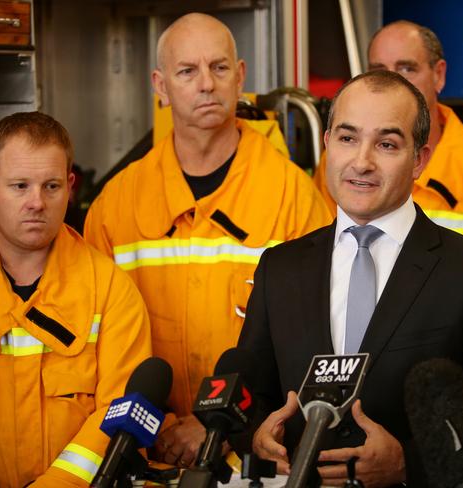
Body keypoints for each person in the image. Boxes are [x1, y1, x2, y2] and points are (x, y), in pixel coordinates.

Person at [238, 70, 463, 487]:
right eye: (347, 138)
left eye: (386, 144)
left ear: (419, 159)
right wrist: (253, 434)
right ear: (327, 144)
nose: (362, 161)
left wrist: (408, 464)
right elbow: (250, 395)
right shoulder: (280, 268)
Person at [83, 13, 331, 467]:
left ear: (239, 78)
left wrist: (216, 425)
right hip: (141, 454)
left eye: (219, 68)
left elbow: (311, 347)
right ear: (160, 86)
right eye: (186, 71)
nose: (206, 84)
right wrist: (157, 425)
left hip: (254, 456)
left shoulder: (294, 197)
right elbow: (96, 348)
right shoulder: (115, 206)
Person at [0, 112, 152, 487]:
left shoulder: (112, 291)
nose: (37, 202)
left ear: (70, 186)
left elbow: (121, 412)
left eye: (51, 186)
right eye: (19, 186)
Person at [312, 20, 463, 323]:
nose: (392, 81)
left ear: (440, 75)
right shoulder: (338, 166)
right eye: (379, 70)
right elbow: (317, 269)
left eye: (407, 68)